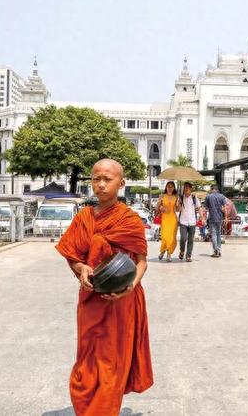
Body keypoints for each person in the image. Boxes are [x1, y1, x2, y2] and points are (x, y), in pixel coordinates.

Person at [55, 159, 153, 416]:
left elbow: (142, 262)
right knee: (87, 358)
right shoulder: (83, 217)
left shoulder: (129, 220)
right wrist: (81, 268)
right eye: (95, 179)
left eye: (107, 179)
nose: (100, 184)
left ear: (121, 183)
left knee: (112, 361)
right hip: (91, 299)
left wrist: (130, 287)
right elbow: (72, 255)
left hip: (122, 300)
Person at [178, 182, 203, 262]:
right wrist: (179, 204)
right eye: (184, 187)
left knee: (190, 240)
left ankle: (188, 256)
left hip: (192, 222)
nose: (185, 189)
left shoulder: (194, 198)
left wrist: (201, 216)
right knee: (183, 238)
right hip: (183, 222)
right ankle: (182, 251)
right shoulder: (180, 198)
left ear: (190, 189)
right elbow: (177, 210)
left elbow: (199, 207)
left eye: (187, 187)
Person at [157, 181, 180, 262]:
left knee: (172, 237)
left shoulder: (176, 197)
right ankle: (163, 251)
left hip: (173, 219)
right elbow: (157, 208)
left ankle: (168, 254)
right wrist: (160, 205)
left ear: (174, 188)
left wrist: (178, 204)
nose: (170, 188)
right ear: (166, 187)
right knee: (165, 236)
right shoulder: (162, 196)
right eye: (168, 186)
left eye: (171, 186)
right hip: (165, 219)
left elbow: (178, 209)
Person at [203, 184, 228, 258]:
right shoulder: (222, 196)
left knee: (213, 234)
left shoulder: (208, 196)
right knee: (218, 234)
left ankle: (216, 250)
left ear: (211, 189)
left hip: (212, 218)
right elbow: (224, 207)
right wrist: (226, 217)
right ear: (217, 189)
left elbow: (205, 208)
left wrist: (204, 218)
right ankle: (219, 250)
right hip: (220, 218)